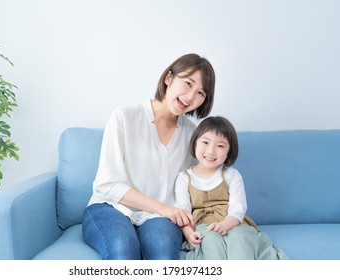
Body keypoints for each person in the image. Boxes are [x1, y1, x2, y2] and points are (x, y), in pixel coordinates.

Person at [82, 53, 216, 260]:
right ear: (169, 78)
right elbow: (107, 185)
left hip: (160, 218)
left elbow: (192, 186)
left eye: (200, 93)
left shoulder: (194, 135)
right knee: (122, 249)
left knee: (164, 254)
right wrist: (164, 209)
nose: (190, 97)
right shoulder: (124, 117)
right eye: (188, 84)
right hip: (110, 208)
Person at [175, 116, 289, 259]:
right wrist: (189, 234)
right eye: (205, 142)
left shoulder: (232, 175)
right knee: (211, 241)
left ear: (229, 151)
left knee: (240, 239)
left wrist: (224, 225)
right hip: (203, 226)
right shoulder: (184, 178)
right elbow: (183, 213)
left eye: (220, 146)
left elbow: (238, 208)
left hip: (232, 222)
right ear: (195, 143)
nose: (211, 151)